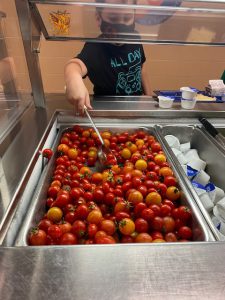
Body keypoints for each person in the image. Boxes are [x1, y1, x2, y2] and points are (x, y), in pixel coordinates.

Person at [64, 0, 151, 115]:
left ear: (134, 16)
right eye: (113, 19)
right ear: (98, 18)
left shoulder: (135, 38)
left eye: (127, 18)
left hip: (135, 109)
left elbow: (141, 68)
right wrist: (72, 78)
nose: (122, 26)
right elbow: (75, 65)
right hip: (108, 112)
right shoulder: (95, 48)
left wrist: (149, 98)